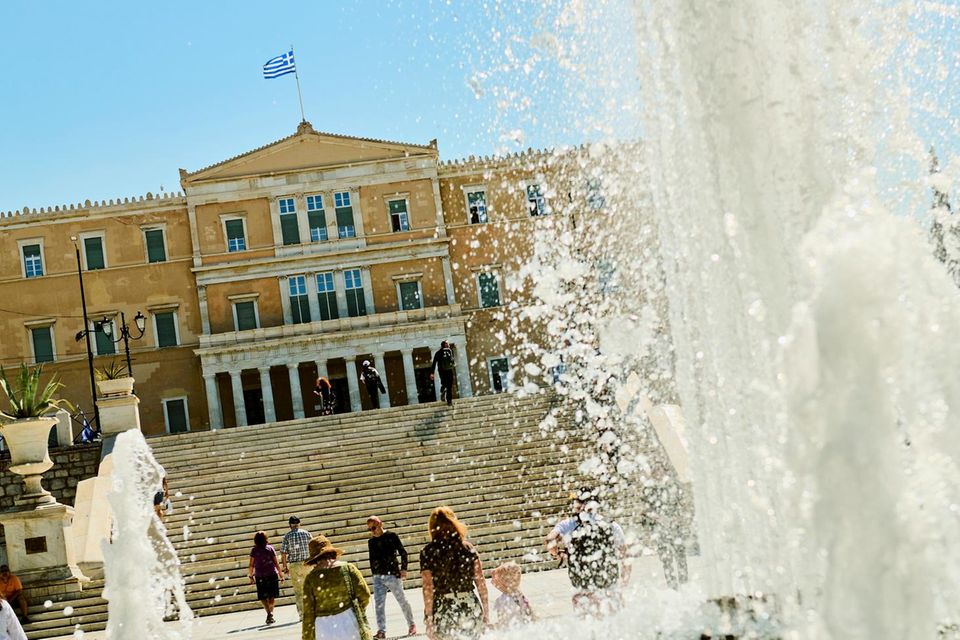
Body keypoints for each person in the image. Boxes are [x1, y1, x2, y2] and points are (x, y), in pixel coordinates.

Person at [545, 487, 628, 617]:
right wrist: (623, 582)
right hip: (608, 581)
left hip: (582, 584)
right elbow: (624, 555)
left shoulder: (569, 524)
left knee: (587, 624)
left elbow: (550, 541)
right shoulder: (611, 524)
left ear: (579, 504)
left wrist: (557, 553)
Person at [420, 506, 488, 640]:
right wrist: (486, 610)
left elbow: (428, 587)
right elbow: (480, 581)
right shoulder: (467, 548)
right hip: (469, 603)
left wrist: (429, 618)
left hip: (443, 606)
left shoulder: (428, 552)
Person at [301, 534, 371, 640]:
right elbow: (364, 594)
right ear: (332, 552)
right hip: (349, 622)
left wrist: (307, 636)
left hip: (324, 628)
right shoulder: (348, 568)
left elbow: (308, 612)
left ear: (314, 558)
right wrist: (356, 609)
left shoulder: (311, 578)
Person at [366, 516, 416, 639]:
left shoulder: (392, 536)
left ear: (380, 524)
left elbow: (403, 553)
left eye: (374, 528)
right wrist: (374, 575)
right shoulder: (371, 542)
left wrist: (404, 569)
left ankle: (411, 624)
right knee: (379, 604)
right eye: (370, 529)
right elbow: (372, 560)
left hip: (392, 575)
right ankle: (381, 630)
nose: (373, 531)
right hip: (378, 577)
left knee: (402, 600)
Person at [641, 478, 689, 589]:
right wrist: (656, 518)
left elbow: (683, 506)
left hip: (675, 529)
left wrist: (678, 518)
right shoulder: (649, 490)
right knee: (666, 560)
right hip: (660, 531)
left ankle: (684, 582)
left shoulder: (673, 486)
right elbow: (645, 511)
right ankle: (672, 585)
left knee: (681, 556)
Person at [281, 515, 314, 621]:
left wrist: (285, 566)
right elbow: (313, 547)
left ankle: (302, 615)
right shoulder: (307, 533)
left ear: (290, 525)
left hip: (295, 565)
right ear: (299, 523)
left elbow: (284, 553)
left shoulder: (287, 536)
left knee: (299, 591)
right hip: (307, 564)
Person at [248, 530, 284, 625]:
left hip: (260, 576)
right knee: (272, 595)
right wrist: (280, 574)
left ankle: (269, 613)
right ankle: (270, 613)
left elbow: (251, 565)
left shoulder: (254, 550)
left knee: (263, 596)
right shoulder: (270, 548)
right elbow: (276, 562)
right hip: (272, 574)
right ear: (266, 539)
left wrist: (251, 575)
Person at [490, 561, 535, 629]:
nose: (518, 578)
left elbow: (502, 623)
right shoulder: (518, 596)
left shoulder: (505, 599)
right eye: (517, 575)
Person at [430, 341, 456, 406]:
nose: (448, 344)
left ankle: (443, 390)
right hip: (449, 370)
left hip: (442, 371)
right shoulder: (449, 351)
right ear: (445, 345)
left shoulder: (438, 353)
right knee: (449, 386)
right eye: (447, 344)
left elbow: (434, 363)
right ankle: (449, 401)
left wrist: (432, 373)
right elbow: (452, 361)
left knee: (444, 383)